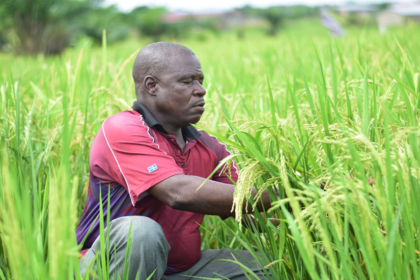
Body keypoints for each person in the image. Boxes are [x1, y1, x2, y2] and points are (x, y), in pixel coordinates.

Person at [76, 42, 274, 280]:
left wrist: (310, 207)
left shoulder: (210, 146)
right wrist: (283, 194)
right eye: (187, 81)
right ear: (152, 86)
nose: (201, 90)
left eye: (200, 80)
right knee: (139, 232)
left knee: (269, 268)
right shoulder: (122, 129)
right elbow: (178, 193)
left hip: (180, 271)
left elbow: (249, 210)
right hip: (109, 269)